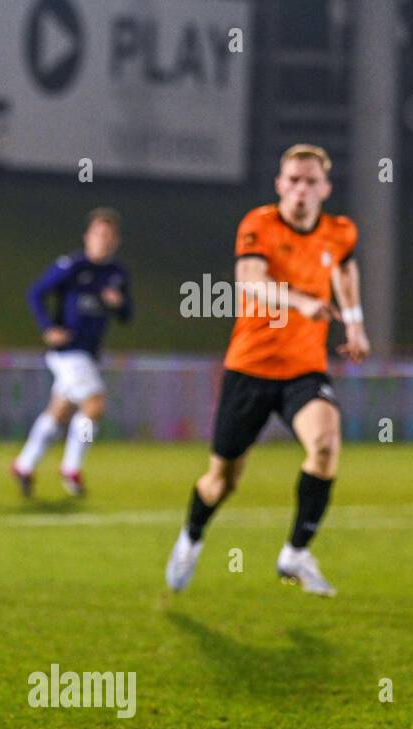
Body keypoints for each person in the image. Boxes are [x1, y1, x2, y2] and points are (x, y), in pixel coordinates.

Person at [165, 144, 370, 597]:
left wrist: (355, 326)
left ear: (325, 189)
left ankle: (295, 553)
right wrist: (299, 301)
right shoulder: (259, 224)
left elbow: (346, 271)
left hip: (304, 371)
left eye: (310, 181)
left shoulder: (339, 232)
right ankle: (192, 537)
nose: (301, 189)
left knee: (325, 444)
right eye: (293, 180)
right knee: (223, 480)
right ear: (279, 184)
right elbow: (250, 283)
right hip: (251, 368)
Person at [11, 208, 132, 498]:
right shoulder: (72, 266)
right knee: (94, 404)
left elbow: (127, 316)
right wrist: (48, 326)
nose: (103, 240)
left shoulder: (117, 275)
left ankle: (24, 465)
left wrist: (118, 304)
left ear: (115, 241)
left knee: (59, 412)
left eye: (109, 235)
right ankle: (72, 468)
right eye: (98, 234)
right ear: (87, 237)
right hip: (68, 352)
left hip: (89, 355)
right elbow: (36, 292)